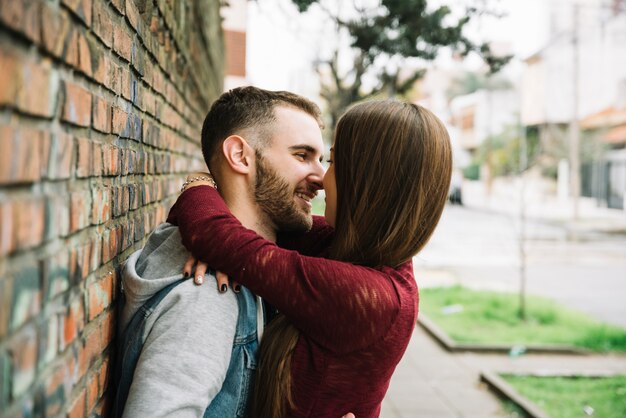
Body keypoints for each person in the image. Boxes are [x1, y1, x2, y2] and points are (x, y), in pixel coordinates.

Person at [169, 99, 453, 417]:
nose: (321, 178)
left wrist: (198, 181)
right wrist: (223, 242)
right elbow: (239, 234)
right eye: (307, 157)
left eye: (332, 162)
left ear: (367, 181)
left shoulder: (367, 297)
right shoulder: (361, 253)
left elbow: (214, 236)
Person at [113, 86, 329, 417]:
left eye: (322, 159)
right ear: (240, 156)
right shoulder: (208, 293)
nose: (322, 178)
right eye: (302, 155)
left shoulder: (231, 264)